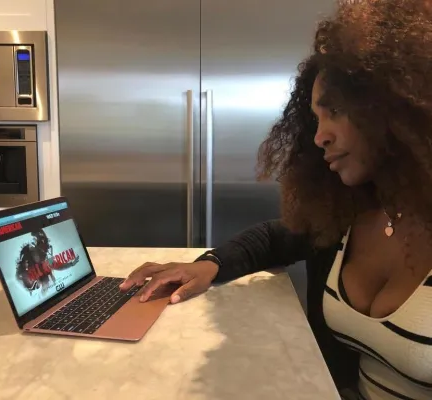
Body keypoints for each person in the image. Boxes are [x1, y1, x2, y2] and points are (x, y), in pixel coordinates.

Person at [120, 1, 432, 399]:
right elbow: (274, 238)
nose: (319, 137)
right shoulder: (354, 217)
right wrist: (210, 264)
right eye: (316, 119)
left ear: (401, 106)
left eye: (335, 111)